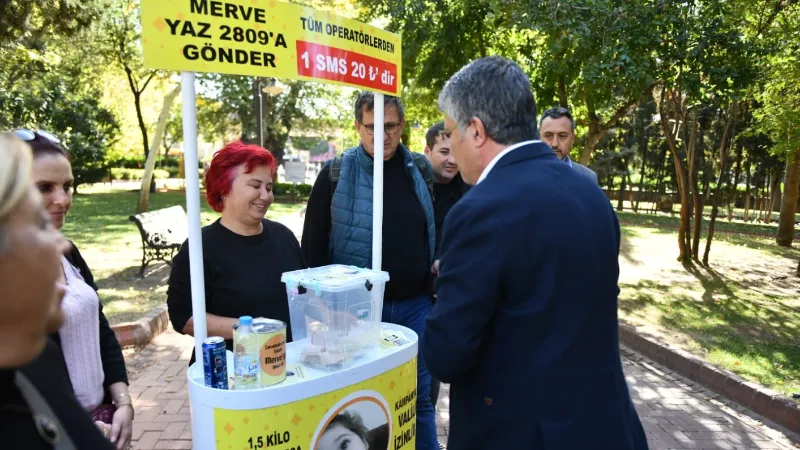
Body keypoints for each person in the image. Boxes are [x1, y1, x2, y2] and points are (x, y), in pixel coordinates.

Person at [421, 56, 647, 449]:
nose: (451, 146)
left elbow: (448, 355)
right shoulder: (591, 195)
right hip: (606, 427)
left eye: (451, 131)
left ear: (476, 130)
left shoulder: (480, 211)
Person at [301, 92, 439, 450]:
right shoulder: (336, 173)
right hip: (354, 313)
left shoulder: (419, 169)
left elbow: (433, 228)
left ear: (402, 125)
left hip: (416, 307)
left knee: (418, 399)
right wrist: (324, 308)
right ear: (358, 127)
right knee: (358, 402)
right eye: (372, 127)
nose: (383, 136)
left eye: (391, 126)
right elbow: (313, 248)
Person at [16, 129, 133, 450]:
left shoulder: (69, 251)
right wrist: (76, 424)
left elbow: (100, 327)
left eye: (67, 186)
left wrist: (122, 402)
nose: (62, 199)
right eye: (44, 188)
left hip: (103, 418)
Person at [167, 141, 306, 364]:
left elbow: (302, 295)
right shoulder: (200, 247)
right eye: (255, 185)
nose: (266, 195)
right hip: (228, 372)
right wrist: (249, 329)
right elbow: (184, 318)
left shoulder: (284, 237)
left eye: (269, 188)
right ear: (225, 188)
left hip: (283, 365)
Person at [423, 121, 469, 448]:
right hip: (421, 295)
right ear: (427, 152)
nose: (451, 159)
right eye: (443, 152)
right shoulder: (416, 185)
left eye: (455, 151)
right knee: (426, 379)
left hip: (455, 294)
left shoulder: (469, 187)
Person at [539, 106, 599, 184]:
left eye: (562, 136)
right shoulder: (522, 174)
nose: (555, 144)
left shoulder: (589, 178)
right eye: (548, 136)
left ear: (572, 138)